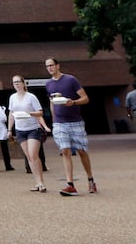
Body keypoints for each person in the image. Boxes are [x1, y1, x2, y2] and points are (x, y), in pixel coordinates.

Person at [45, 58, 97, 196]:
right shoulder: (48, 84)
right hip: (59, 123)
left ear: (57, 65)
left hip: (75, 121)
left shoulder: (70, 80)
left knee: (81, 151)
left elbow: (85, 98)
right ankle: (70, 184)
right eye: (47, 66)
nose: (49, 68)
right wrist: (54, 119)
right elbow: (52, 102)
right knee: (65, 151)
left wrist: (73, 102)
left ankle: (90, 180)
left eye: (51, 65)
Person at [7, 75, 50, 193]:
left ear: (23, 83)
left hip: (33, 129)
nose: (16, 84)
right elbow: (11, 113)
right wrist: (9, 129)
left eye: (18, 82)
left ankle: (41, 182)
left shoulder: (31, 97)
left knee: (33, 155)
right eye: (14, 82)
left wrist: (30, 114)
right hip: (20, 130)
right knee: (29, 157)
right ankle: (37, 182)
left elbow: (40, 112)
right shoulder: (12, 98)